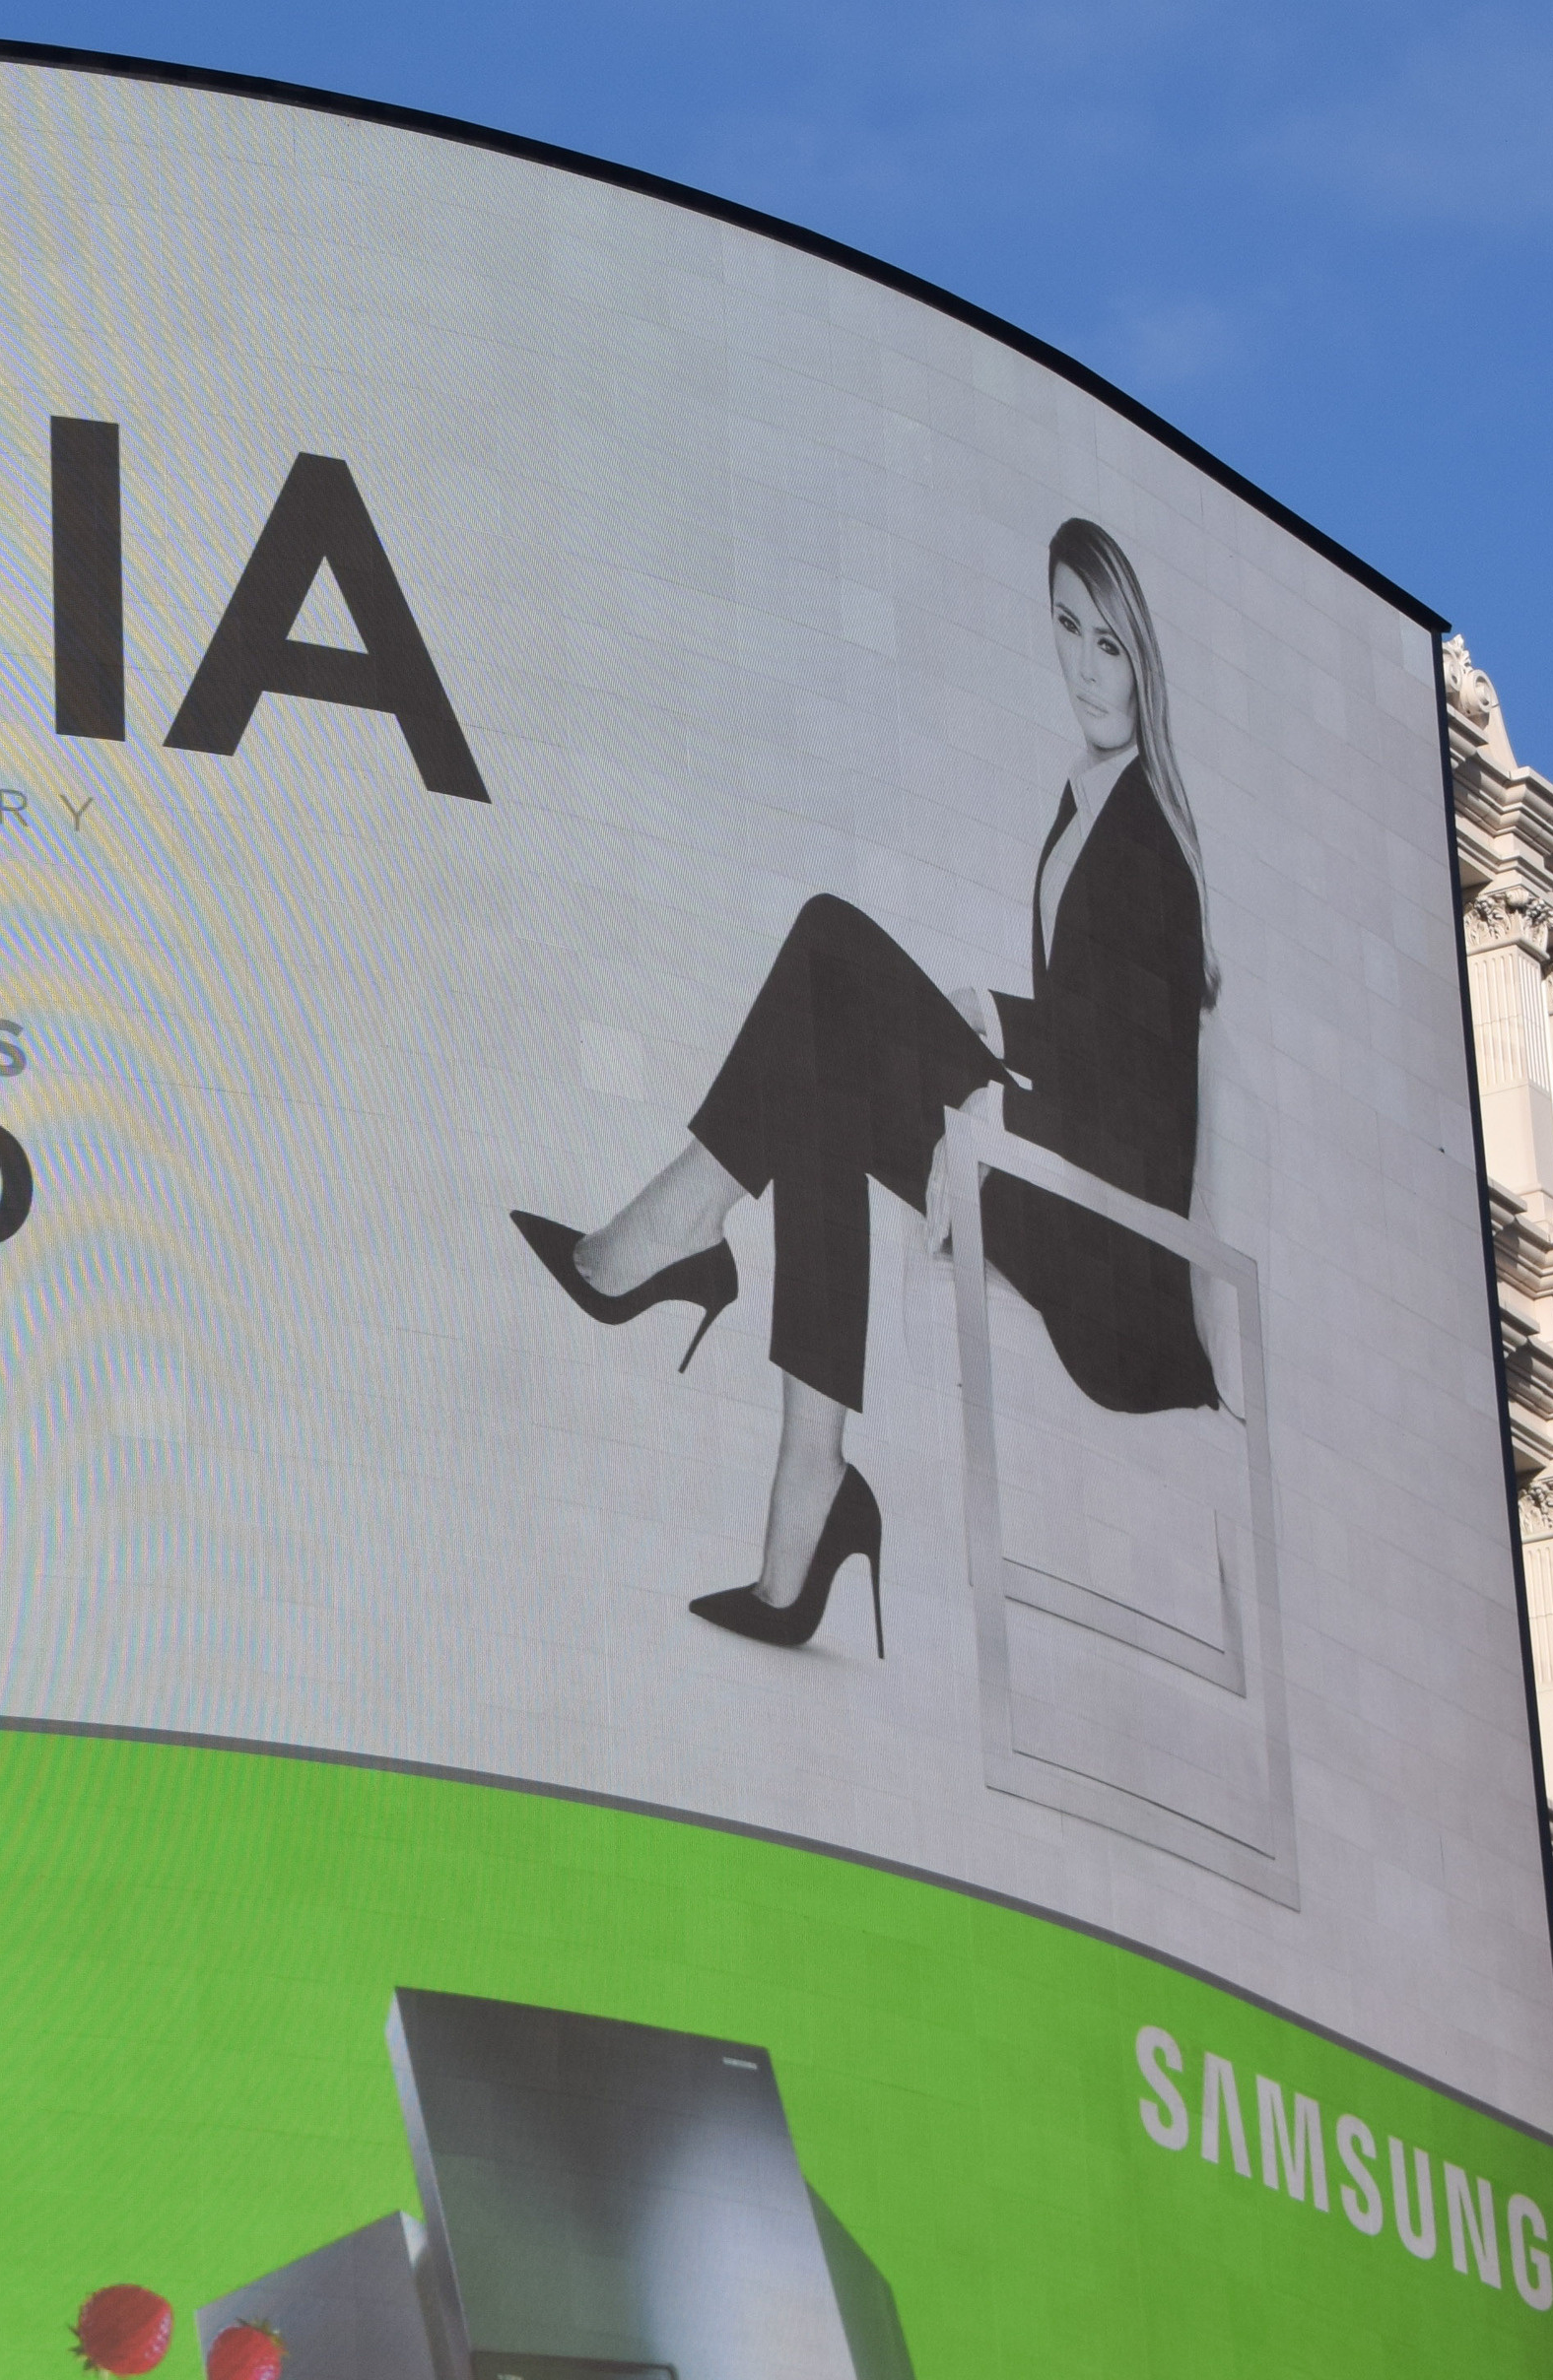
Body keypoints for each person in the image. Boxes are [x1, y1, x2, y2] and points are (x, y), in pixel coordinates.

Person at [512, 518, 1223, 1658]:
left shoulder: (1143, 842)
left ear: (1142, 655)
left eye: (1108, 645)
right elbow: (1109, 1030)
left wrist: (1006, 1111)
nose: (1085, 670)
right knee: (822, 1060)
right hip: (1060, 1184)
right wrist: (1009, 1019)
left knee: (827, 950)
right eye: (1063, 631)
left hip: (1115, 1270)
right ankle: (808, 1480)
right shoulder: (1086, 808)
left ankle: (683, 1242)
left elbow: (1151, 1125)